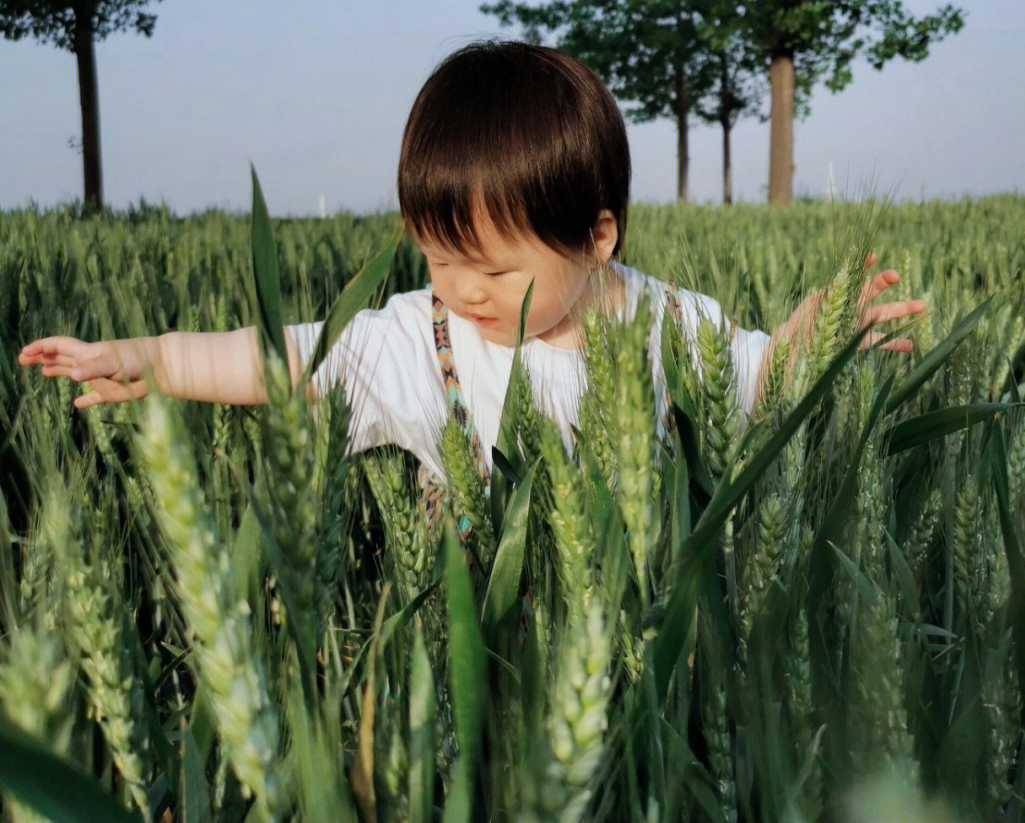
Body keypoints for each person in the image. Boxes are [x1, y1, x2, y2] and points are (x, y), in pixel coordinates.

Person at [18, 42, 925, 490]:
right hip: (486, 660)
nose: (461, 289)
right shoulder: (429, 338)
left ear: (598, 236)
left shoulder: (670, 325)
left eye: (490, 267)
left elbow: (757, 388)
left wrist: (814, 339)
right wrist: (151, 357)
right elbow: (290, 359)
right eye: (437, 257)